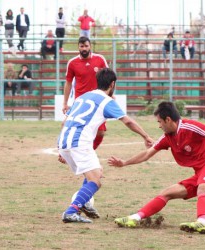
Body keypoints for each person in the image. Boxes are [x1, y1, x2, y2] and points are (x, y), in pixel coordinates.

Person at [109, 101, 205, 234]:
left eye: (159, 122)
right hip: (199, 173)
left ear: (168, 120)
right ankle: (135, 218)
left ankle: (202, 222)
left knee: (203, 188)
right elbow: (147, 154)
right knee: (167, 193)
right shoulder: (167, 137)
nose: (159, 126)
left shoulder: (189, 127)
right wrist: (124, 163)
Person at [59, 68, 154, 223]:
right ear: (112, 84)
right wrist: (146, 136)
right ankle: (71, 211)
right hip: (79, 142)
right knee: (95, 180)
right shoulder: (106, 101)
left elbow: (65, 122)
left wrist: (62, 150)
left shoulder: (82, 97)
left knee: (96, 172)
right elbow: (128, 121)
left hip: (65, 140)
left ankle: (85, 203)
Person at [63, 36, 109, 150]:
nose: (84, 48)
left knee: (100, 132)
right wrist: (65, 103)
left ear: (90, 46)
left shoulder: (100, 59)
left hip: (97, 100)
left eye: (86, 46)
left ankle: (89, 151)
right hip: (80, 101)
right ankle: (63, 151)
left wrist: (109, 94)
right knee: (66, 125)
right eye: (81, 46)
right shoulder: (72, 63)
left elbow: (109, 77)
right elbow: (68, 83)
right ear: (78, 47)